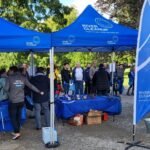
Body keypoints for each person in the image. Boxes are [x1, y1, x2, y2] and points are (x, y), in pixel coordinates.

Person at [4, 66, 44, 140]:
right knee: (18, 116)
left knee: (13, 117)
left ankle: (17, 132)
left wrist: (10, 95)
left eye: (10, 70)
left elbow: (6, 89)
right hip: (21, 100)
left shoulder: (9, 78)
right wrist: (39, 91)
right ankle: (17, 130)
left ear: (13, 71)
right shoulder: (23, 78)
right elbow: (31, 86)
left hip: (13, 101)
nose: (9, 72)